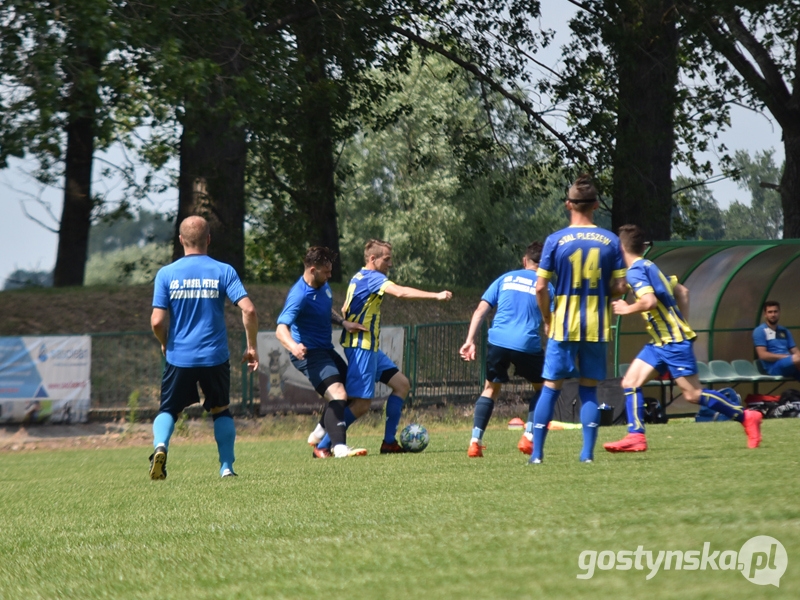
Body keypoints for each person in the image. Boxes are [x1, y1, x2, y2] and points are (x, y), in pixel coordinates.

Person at [605, 224, 762, 452]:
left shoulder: (635, 271)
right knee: (630, 382)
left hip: (672, 342)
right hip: (661, 342)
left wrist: (626, 309)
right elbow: (683, 291)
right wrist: (683, 324)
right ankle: (636, 436)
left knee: (692, 394)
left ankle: (747, 416)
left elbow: (648, 301)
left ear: (621, 247)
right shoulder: (650, 266)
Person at [309, 239, 452, 454]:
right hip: (362, 348)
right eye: (386, 259)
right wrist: (436, 295)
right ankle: (323, 446)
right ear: (373, 259)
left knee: (402, 385)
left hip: (370, 347)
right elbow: (401, 292)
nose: (390, 264)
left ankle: (388, 442)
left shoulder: (358, 277)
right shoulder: (373, 278)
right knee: (361, 404)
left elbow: (345, 307)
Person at [149, 215, 259, 480]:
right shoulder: (223, 271)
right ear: (208, 239)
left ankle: (160, 447)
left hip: (180, 357)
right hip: (214, 356)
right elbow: (249, 310)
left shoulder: (166, 274)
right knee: (220, 409)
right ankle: (226, 467)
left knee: (168, 410)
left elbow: (156, 321)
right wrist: (251, 346)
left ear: (180, 241)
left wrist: (166, 344)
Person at [529, 174, 627, 464]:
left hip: (563, 324)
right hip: (596, 325)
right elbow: (621, 287)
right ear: (596, 205)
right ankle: (586, 454)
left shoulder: (555, 240)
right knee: (588, 389)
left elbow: (540, 286)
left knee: (551, 387)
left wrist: (547, 318)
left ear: (567, 204)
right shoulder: (610, 241)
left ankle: (537, 455)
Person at [459, 241, 554, 458]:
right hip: (526, 344)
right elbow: (552, 322)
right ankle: (529, 436)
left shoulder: (505, 278)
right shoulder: (547, 286)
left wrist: (470, 339)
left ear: (524, 261)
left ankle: (475, 441)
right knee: (544, 389)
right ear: (546, 263)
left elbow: (481, 309)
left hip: (498, 341)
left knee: (490, 388)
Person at [276, 247, 368, 458]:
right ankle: (339, 448)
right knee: (338, 393)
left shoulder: (323, 286)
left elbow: (326, 310)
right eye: (326, 272)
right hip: (308, 353)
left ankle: (319, 431)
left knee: (352, 391)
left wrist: (343, 322)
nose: (330, 276)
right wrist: (293, 345)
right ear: (313, 269)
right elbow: (281, 328)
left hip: (325, 350)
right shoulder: (299, 295)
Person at [753, 301, 800, 379]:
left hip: (791, 363)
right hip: (773, 367)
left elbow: (795, 350)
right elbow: (762, 355)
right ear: (765, 314)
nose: (773, 315)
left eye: (775, 312)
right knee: (796, 359)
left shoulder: (784, 331)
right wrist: (786, 357)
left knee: (797, 359)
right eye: (770, 312)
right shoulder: (760, 331)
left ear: (779, 313)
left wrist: (794, 357)